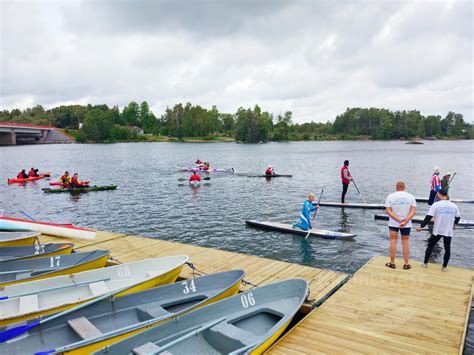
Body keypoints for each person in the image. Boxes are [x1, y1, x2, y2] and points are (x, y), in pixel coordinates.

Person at [416, 189, 460, 271]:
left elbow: (428, 217)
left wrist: (421, 226)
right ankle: (444, 267)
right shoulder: (454, 206)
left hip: (438, 230)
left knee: (430, 246)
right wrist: (454, 224)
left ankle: (425, 264)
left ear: (439, 194)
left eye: (437, 194)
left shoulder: (436, 205)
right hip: (448, 231)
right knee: (447, 248)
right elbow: (458, 217)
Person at [384, 181, 417, 270]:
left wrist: (398, 220)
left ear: (396, 187)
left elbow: (388, 211)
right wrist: (405, 221)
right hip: (406, 224)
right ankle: (406, 264)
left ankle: (392, 263)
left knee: (393, 240)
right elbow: (413, 211)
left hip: (394, 223)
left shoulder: (390, 196)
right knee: (405, 242)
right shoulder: (411, 197)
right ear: (404, 187)